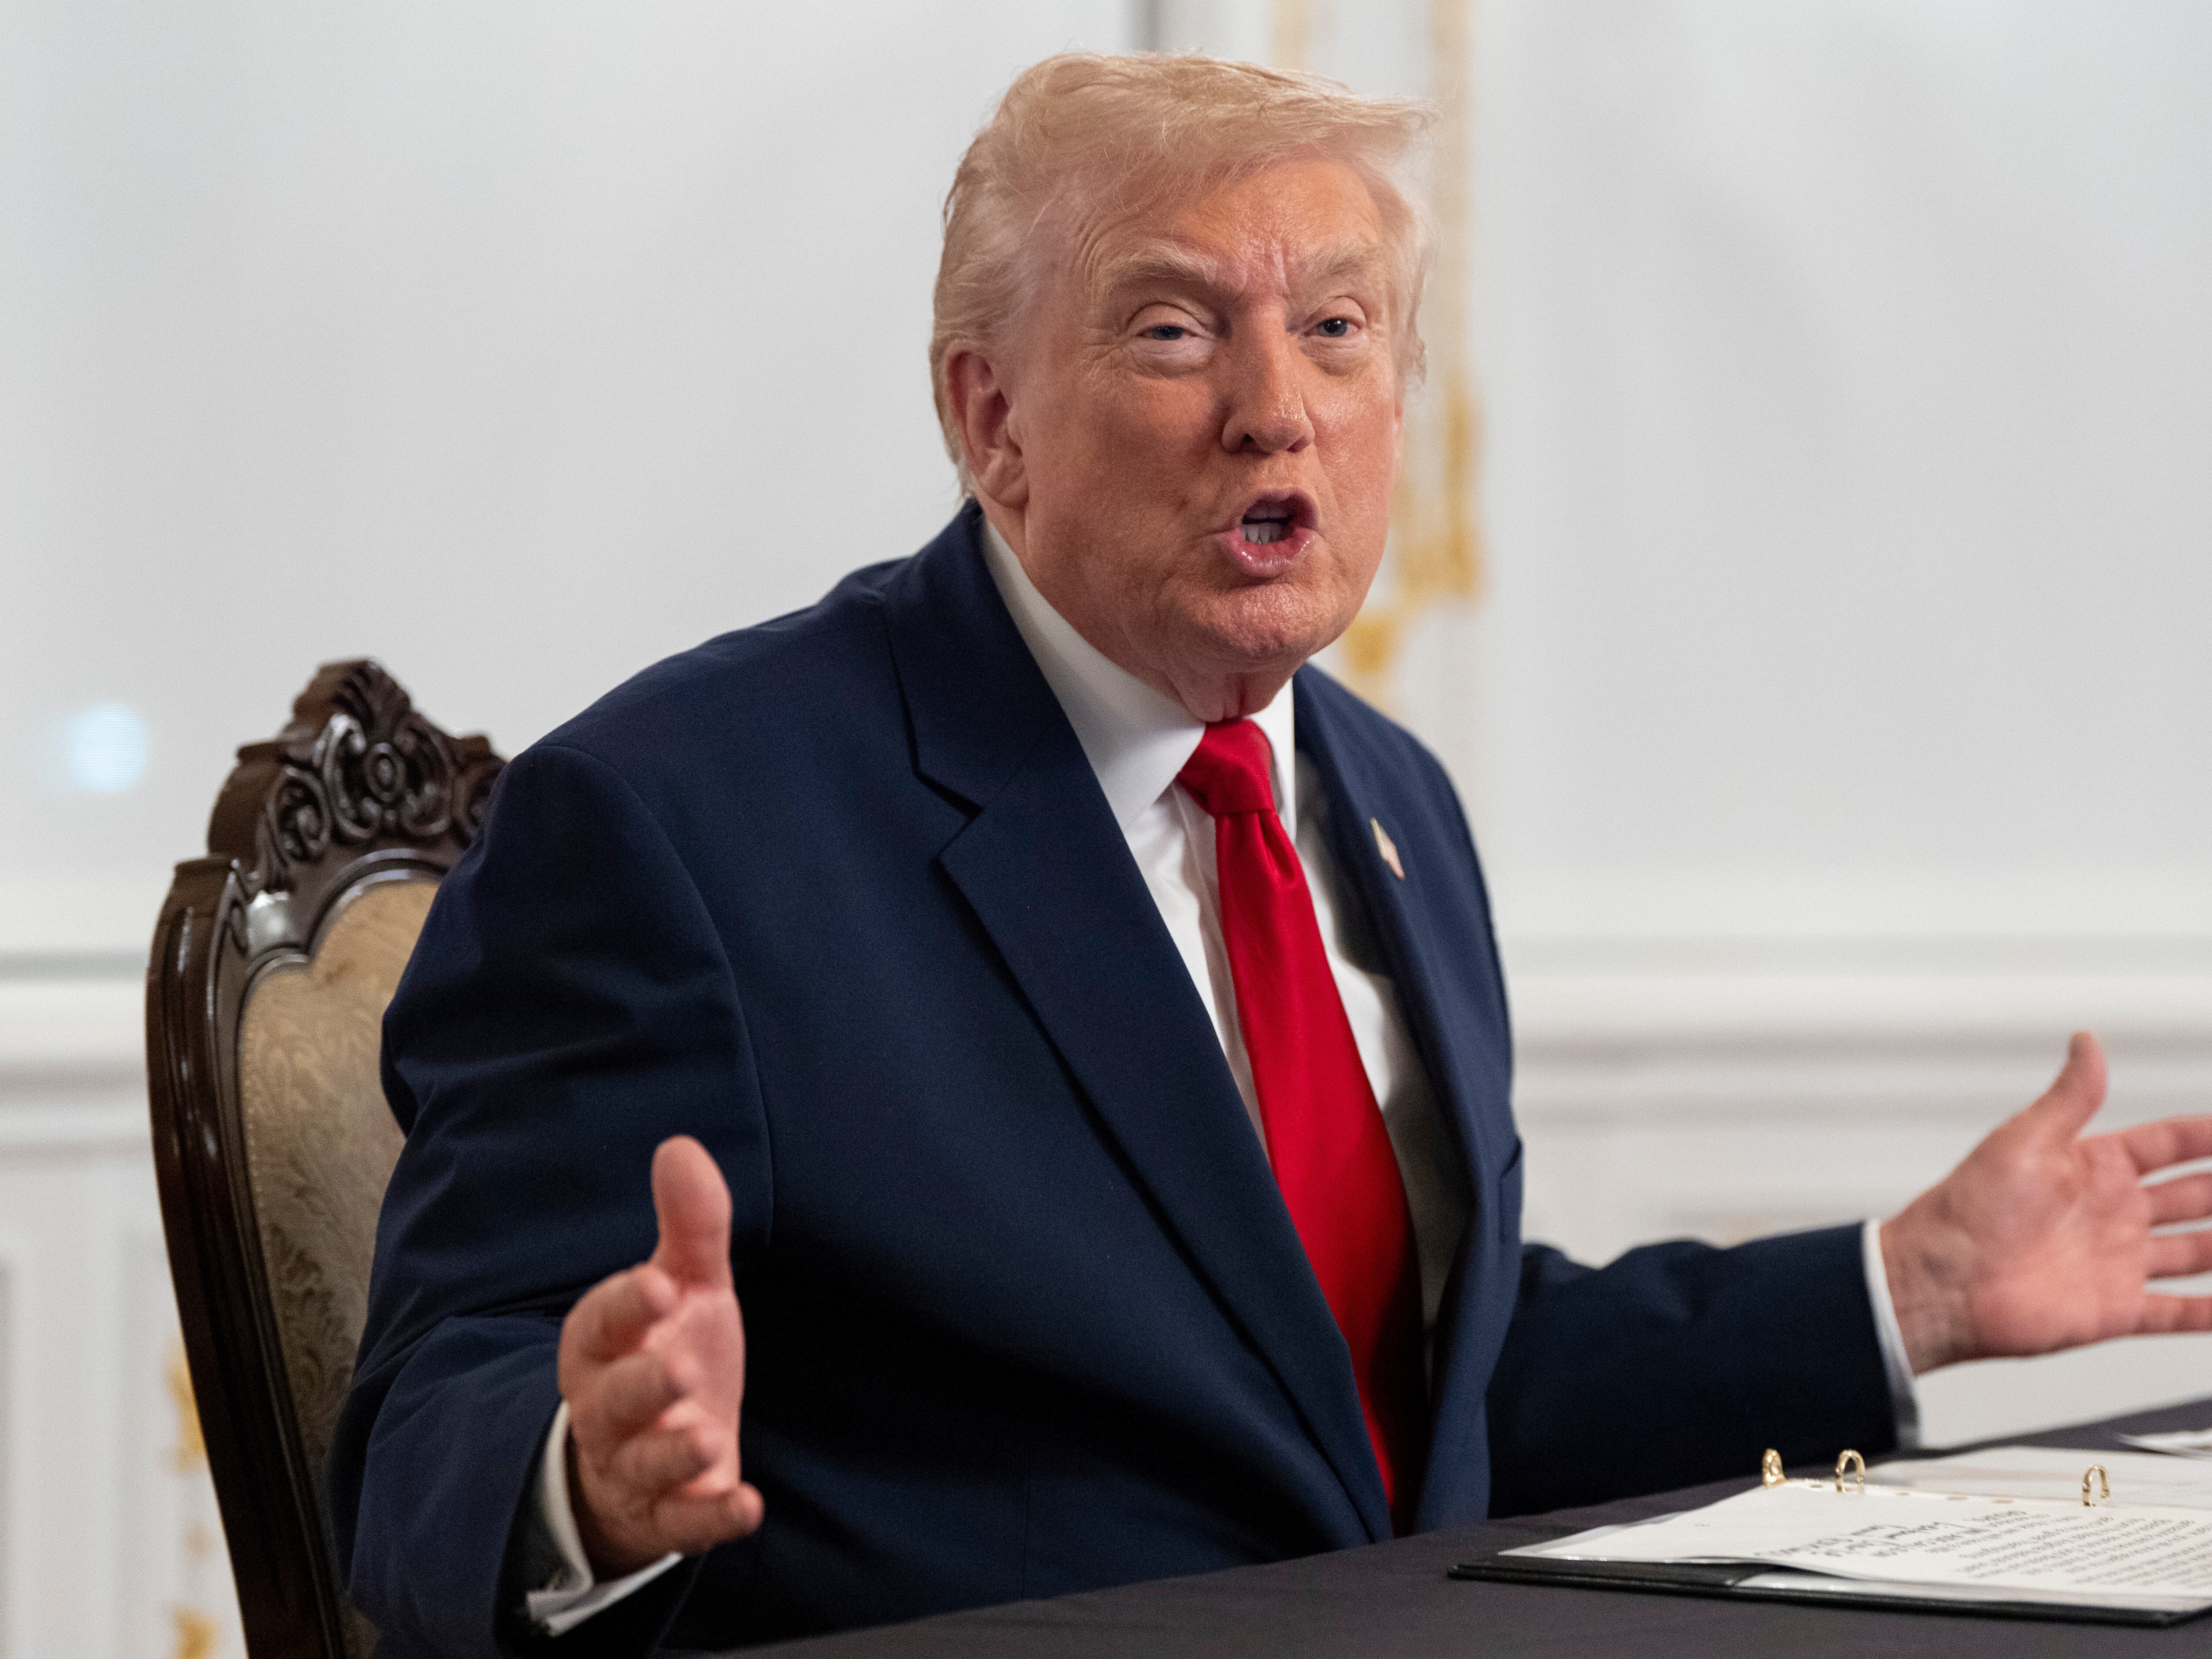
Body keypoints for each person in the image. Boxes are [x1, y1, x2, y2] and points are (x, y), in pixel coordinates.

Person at [330, 52, 2212, 1658]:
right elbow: (432, 1428)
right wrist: (584, 1475)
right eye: (1172, 329)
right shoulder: (677, 823)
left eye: (1331, 327)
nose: (1273, 404)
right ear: (987, 414)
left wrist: (1905, 1289)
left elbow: (1395, 1406)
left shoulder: (1385, 797)